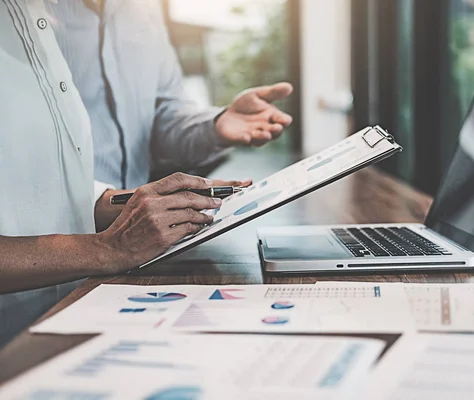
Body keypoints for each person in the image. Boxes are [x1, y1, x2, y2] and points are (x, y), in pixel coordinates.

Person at [0, 0, 247, 348]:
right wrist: (108, 248)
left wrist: (133, 203)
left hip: (75, 308)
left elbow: (48, 172)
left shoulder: (33, 17)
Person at [45, 0, 294, 231]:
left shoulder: (146, 9)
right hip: (54, 241)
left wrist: (214, 126)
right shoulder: (27, 14)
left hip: (142, 236)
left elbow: (163, 114)